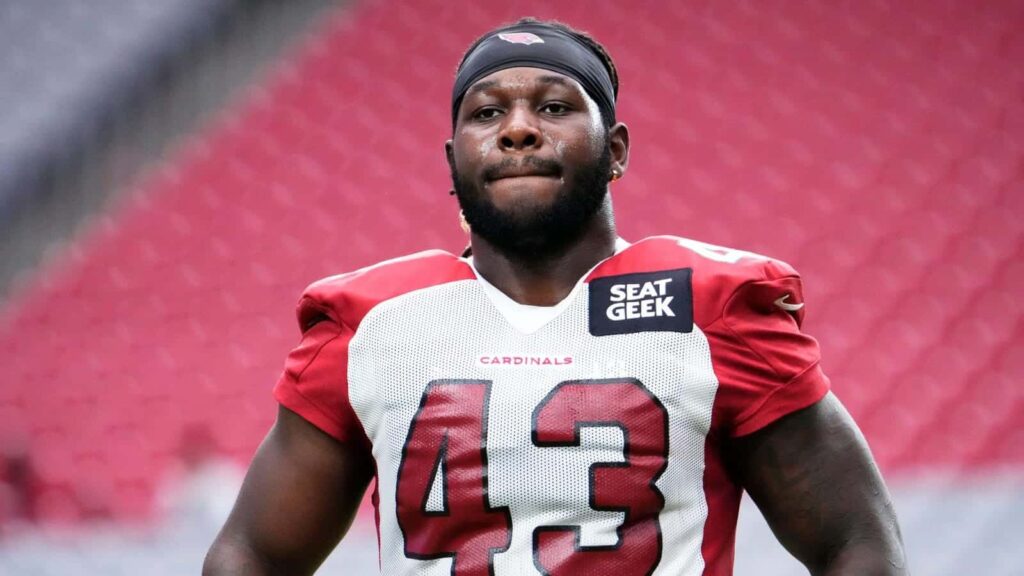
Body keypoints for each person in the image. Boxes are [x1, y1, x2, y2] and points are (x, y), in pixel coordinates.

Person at [204, 18, 907, 576]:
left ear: (618, 150)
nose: (517, 128)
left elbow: (857, 544)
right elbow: (255, 556)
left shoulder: (713, 308)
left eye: (554, 106)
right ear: (454, 162)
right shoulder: (373, 324)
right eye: (486, 113)